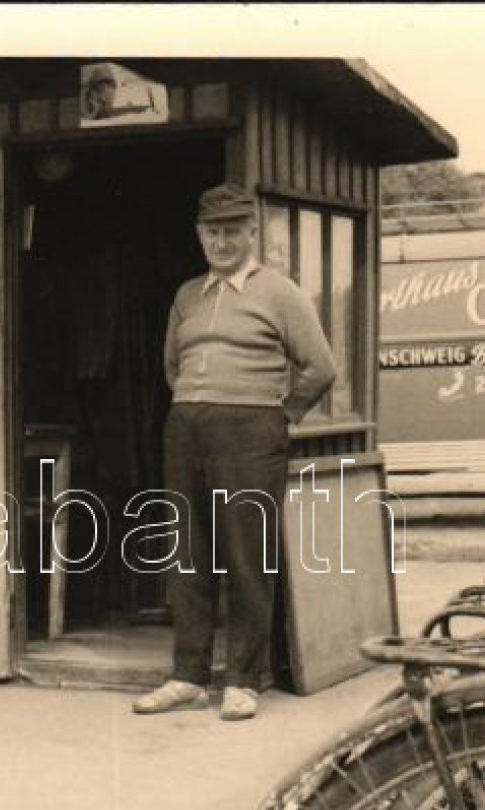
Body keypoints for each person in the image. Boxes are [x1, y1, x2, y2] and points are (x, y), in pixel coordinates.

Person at [133, 182, 338, 722]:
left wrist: (279, 416)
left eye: (231, 231)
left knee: (248, 556)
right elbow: (172, 366)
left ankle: (246, 680)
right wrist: (197, 405)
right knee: (188, 552)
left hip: (251, 430)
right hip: (186, 427)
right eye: (211, 232)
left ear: (252, 233)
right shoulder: (186, 295)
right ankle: (189, 676)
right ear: (200, 236)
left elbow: (321, 368)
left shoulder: (281, 293)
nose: (221, 242)